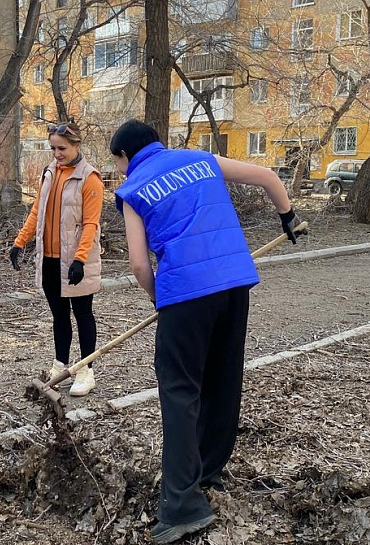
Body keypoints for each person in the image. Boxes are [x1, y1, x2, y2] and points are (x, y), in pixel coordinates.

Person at [108, 119, 307, 544]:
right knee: (222, 378)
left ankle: (181, 506)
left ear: (125, 157)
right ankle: (208, 474)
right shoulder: (200, 159)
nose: (121, 170)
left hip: (185, 292)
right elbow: (269, 177)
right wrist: (287, 216)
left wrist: (157, 298)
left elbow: (140, 265)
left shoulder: (132, 189)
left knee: (180, 390)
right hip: (234, 283)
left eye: (119, 163)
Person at [10, 121, 104, 397]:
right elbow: (37, 211)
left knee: (83, 313)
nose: (57, 153)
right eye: (53, 148)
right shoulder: (50, 172)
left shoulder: (90, 177)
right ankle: (60, 366)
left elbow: (91, 224)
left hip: (77, 262)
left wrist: (80, 259)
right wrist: (20, 241)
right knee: (59, 315)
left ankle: (86, 371)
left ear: (76, 145)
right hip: (50, 259)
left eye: (61, 148)